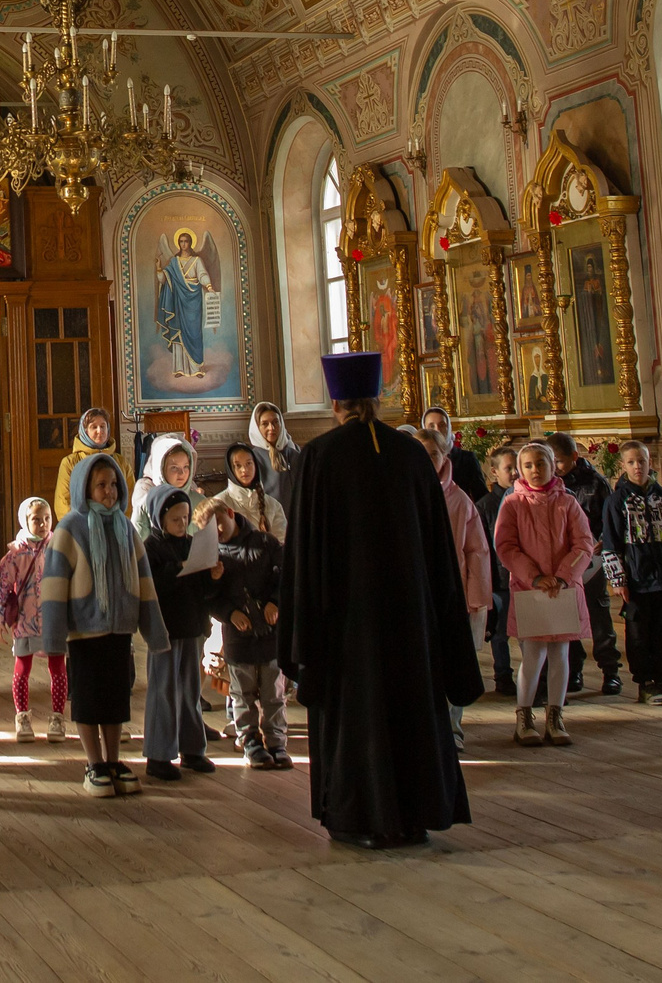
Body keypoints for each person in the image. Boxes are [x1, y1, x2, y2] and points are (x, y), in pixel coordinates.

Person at [278, 352, 483, 848]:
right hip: (412, 618)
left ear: (335, 403)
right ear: (375, 399)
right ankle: (415, 814)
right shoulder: (412, 453)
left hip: (348, 623)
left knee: (358, 716)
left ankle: (360, 818)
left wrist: (301, 631)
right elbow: (438, 549)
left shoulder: (321, 455)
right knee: (411, 708)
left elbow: (303, 551)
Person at [40, 451, 169, 798]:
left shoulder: (125, 527)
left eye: (113, 484)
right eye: (101, 485)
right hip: (85, 631)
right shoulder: (70, 528)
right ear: (85, 487)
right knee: (87, 698)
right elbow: (53, 585)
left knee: (115, 699)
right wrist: (52, 638)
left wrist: (154, 631)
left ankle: (113, 760)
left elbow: (144, 581)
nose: (109, 491)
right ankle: (93, 762)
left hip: (119, 630)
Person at [493, 440, 594, 749]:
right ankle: (524, 717)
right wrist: (534, 576)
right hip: (530, 588)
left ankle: (555, 715)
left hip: (562, 589)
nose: (535, 470)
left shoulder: (568, 502)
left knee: (560, 654)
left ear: (553, 466)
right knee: (533, 655)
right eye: (528, 465)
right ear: (520, 471)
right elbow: (506, 546)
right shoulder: (513, 504)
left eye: (541, 463)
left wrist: (563, 576)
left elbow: (584, 543)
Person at [415, 426, 492, 752]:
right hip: (416, 598)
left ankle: (453, 729)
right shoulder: (401, 493)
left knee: (452, 663)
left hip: (453, 597)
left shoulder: (459, 500)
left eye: (432, 454)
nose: (426, 461)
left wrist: (476, 600)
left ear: (444, 457)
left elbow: (477, 552)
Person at [140, 485, 221, 781]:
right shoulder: (151, 547)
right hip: (165, 629)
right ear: (160, 520)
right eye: (175, 519)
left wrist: (212, 576)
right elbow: (152, 586)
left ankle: (192, 749)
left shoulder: (191, 543)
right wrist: (179, 568)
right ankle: (159, 755)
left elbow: (204, 590)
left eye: (185, 518)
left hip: (191, 627)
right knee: (163, 692)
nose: (181, 524)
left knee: (190, 691)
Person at [602, 440, 662, 705]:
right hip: (637, 580)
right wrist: (618, 579)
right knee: (639, 634)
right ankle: (646, 683)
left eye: (642, 461)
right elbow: (611, 544)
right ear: (623, 466)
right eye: (631, 462)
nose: (637, 466)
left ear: (650, 462)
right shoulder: (618, 501)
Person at [210, 501, 288, 768]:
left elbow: (285, 577)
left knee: (273, 692)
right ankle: (250, 740)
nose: (216, 532)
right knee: (242, 692)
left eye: (218, 524)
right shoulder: (213, 556)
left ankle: (277, 742)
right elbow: (212, 597)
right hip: (238, 637)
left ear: (230, 514)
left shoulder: (265, 543)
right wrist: (230, 614)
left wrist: (275, 602)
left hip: (269, 632)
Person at [544, 431, 622, 697]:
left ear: (574, 458)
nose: (555, 468)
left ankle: (610, 671)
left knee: (598, 614)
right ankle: (574, 669)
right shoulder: (550, 485)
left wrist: (601, 541)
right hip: (563, 563)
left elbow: (609, 519)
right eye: (551, 462)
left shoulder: (596, 482)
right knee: (569, 618)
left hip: (592, 559)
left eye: (560, 462)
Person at [0, 496, 64, 742]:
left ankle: (57, 717)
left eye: (47, 518)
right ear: (25, 520)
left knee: (58, 668)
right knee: (22, 669)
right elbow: (1, 587)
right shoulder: (16, 554)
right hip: (24, 621)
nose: (43, 524)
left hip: (53, 620)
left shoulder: (58, 547)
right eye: (36, 519)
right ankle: (22, 716)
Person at [477, 443, 519, 697]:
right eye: (508, 468)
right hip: (499, 580)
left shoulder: (524, 499)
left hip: (523, 579)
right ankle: (503, 674)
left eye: (517, 467)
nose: (514, 473)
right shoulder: (485, 506)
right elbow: (484, 548)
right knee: (500, 632)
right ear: (494, 472)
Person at [212, 440, 287, 542]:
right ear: (230, 469)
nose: (244, 470)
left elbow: (282, 542)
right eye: (238, 465)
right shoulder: (219, 503)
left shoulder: (273, 505)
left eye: (248, 464)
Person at [130, 432, 205, 532]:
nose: (182, 473)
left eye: (186, 467)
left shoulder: (200, 502)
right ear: (160, 468)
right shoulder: (146, 503)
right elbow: (138, 544)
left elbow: (208, 541)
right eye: (174, 468)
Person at [50, 408, 117, 518]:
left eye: (103, 426)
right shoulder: (70, 463)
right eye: (94, 427)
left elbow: (129, 499)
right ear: (85, 431)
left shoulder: (120, 462)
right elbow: (63, 501)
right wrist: (76, 528)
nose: (99, 431)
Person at [248, 401, 302, 523]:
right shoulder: (252, 458)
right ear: (257, 427)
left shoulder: (294, 454)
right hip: (269, 521)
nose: (271, 428)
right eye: (265, 424)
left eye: (275, 422)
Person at [423, 406, 488, 504]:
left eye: (442, 425)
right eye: (431, 426)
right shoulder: (420, 458)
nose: (437, 430)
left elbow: (481, 496)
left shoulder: (466, 458)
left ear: (448, 427)